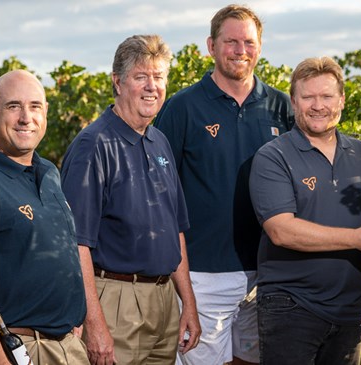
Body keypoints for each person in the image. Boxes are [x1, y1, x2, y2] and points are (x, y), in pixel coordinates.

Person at [249, 57, 361, 365]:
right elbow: (281, 230)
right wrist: (357, 238)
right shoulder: (273, 156)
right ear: (293, 101)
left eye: (326, 96)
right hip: (290, 307)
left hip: (350, 309)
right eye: (308, 97)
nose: (318, 105)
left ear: (341, 99)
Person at [153, 4, 294, 365]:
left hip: (268, 272)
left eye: (248, 42)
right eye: (230, 42)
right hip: (204, 273)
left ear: (260, 46)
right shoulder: (182, 108)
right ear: (211, 46)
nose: (240, 50)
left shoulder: (282, 108)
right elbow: (159, 195)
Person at [60, 34, 201, 365]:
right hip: (116, 302)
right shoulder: (93, 145)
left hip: (164, 302)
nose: (152, 86)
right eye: (141, 77)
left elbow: (175, 229)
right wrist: (94, 324)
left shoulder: (160, 141)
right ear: (118, 82)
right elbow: (75, 245)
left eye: (159, 77)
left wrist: (188, 305)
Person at [0, 69, 89, 364]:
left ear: (45, 112)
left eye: (34, 106)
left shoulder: (49, 172)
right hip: (21, 350)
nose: (25, 117)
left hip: (67, 347)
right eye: (13, 106)